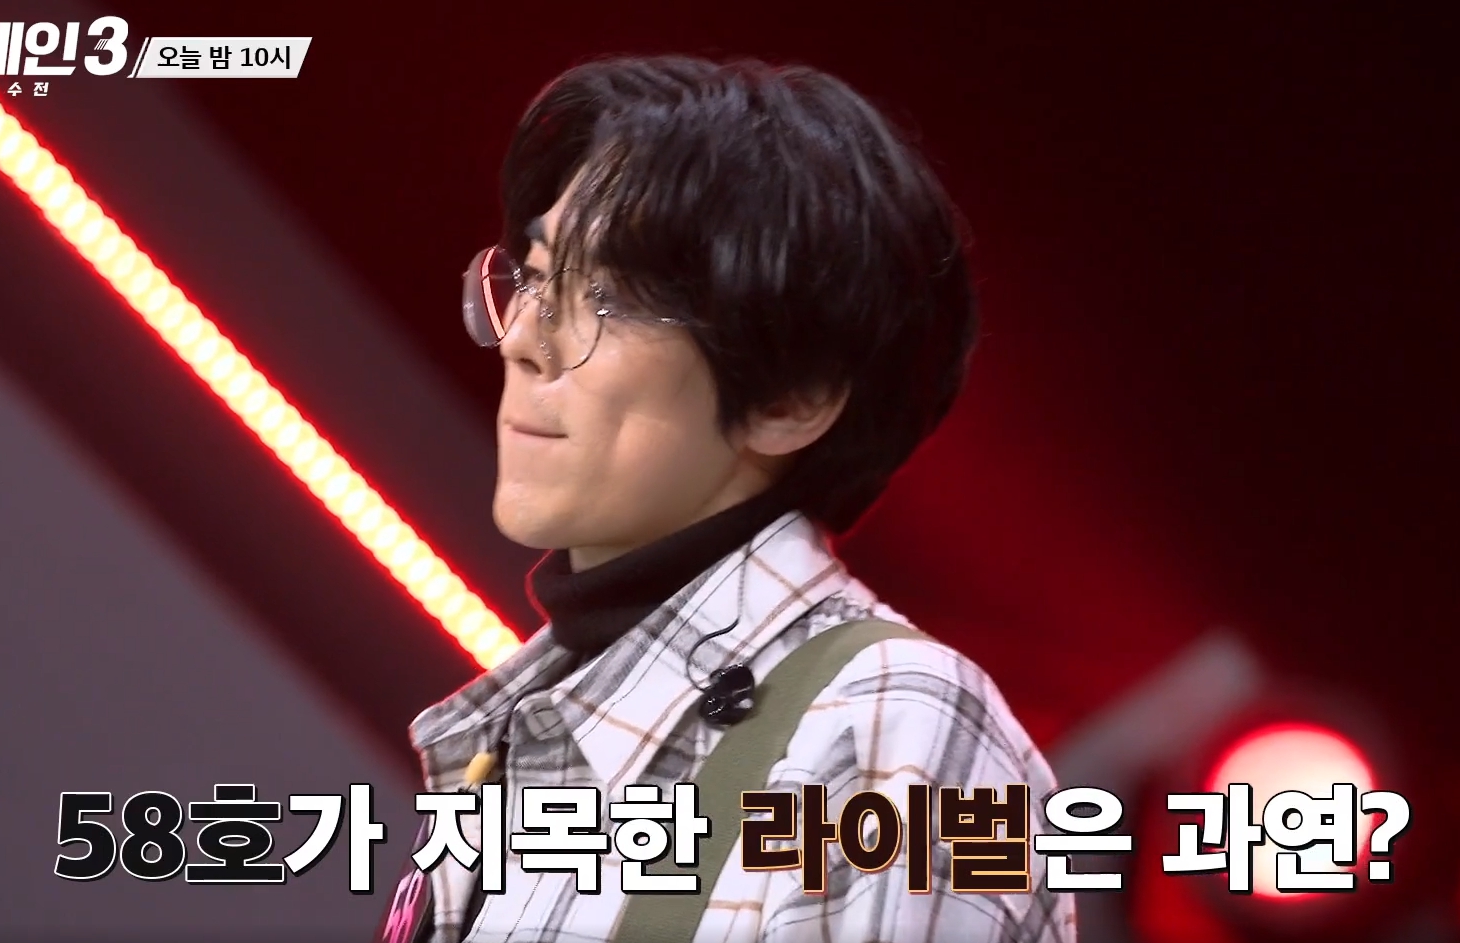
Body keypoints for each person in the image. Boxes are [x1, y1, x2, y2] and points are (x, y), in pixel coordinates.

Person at [377, 54, 1074, 943]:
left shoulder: (884, 724)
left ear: (792, 398)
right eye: (539, 275)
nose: (522, 338)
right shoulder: (518, 743)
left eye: (609, 298)